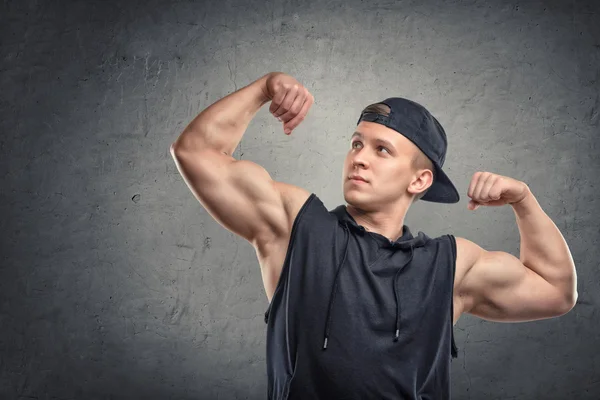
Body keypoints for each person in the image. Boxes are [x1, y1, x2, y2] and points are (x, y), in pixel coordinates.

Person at [170, 72, 578, 399]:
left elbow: (556, 291)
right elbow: (196, 152)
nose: (359, 158)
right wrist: (264, 87)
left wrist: (523, 201)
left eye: (382, 150)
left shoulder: (449, 266)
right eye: (356, 143)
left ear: (420, 179)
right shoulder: (296, 227)